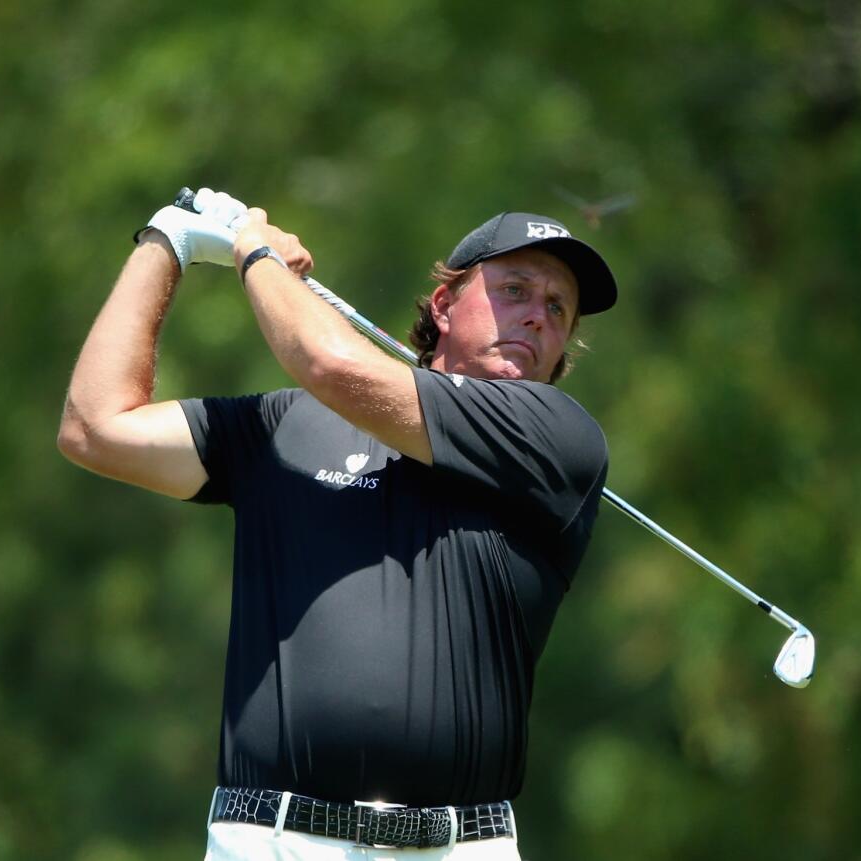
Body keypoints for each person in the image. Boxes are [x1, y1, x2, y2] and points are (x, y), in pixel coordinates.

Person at [58, 188, 618, 860]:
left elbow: (330, 363)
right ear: (443, 307)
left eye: (557, 308)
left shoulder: (557, 441)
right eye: (515, 289)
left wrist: (255, 252)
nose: (536, 317)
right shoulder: (285, 425)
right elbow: (94, 426)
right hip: (270, 841)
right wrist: (166, 243)